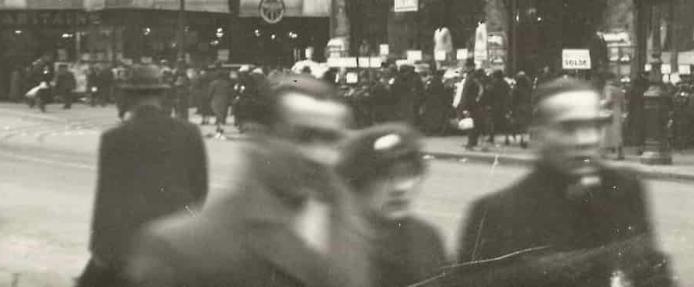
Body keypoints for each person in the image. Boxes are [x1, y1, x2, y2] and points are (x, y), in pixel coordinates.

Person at [127, 75, 365, 287]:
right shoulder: (181, 247)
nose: (320, 156)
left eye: (331, 139)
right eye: (304, 137)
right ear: (261, 138)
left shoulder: (356, 227)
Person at [456, 77, 671, 287]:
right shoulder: (495, 214)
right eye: (569, 128)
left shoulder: (625, 191)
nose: (585, 140)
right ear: (539, 136)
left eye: (593, 126)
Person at [83, 63, 209, 287]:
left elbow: (107, 198)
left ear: (129, 96)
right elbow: (200, 190)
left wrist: (100, 250)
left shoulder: (114, 138)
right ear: (162, 94)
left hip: (129, 247)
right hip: (178, 241)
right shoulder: (189, 133)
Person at [339, 125, 446, 287]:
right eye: (385, 175)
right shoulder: (331, 238)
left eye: (408, 174)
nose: (400, 188)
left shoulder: (427, 239)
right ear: (357, 180)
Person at [454, 67, 484, 150]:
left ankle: (471, 142)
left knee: (471, 124)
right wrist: (466, 108)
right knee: (471, 125)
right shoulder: (472, 82)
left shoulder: (469, 81)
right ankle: (471, 143)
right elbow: (467, 95)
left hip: (469, 105)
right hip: (470, 106)